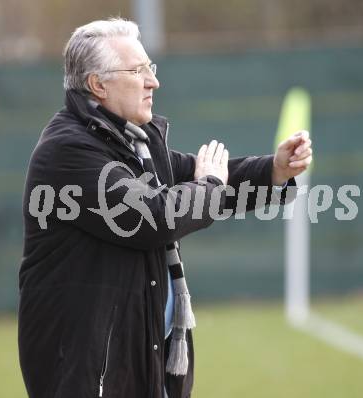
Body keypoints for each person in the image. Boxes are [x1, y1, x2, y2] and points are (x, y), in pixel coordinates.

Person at [18, 18, 313, 398]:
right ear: (98, 84)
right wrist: (208, 185)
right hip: (90, 377)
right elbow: (153, 217)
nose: (152, 81)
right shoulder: (67, 151)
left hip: (141, 365)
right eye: (138, 71)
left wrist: (274, 170)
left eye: (150, 69)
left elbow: (200, 175)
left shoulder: (132, 144)